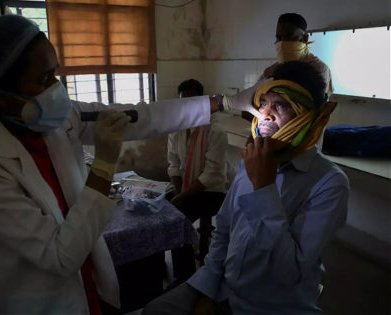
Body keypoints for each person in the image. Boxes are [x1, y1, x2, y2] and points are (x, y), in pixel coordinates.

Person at [0, 15, 220, 315]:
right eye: (43, 79)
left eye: (56, 74)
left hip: (90, 282)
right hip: (32, 301)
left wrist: (221, 103)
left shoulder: (59, 119)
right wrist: (103, 163)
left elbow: (144, 116)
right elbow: (60, 256)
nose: (57, 90)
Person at [142, 61, 349, 315]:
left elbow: (288, 272)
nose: (266, 115)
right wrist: (208, 291)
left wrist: (264, 188)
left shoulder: (329, 183)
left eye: (281, 106)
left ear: (308, 117)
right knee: (155, 310)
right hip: (224, 287)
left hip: (272, 306)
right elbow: (224, 233)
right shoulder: (250, 161)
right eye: (263, 104)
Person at [168, 79, 227, 284]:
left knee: (177, 217)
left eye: (193, 102)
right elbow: (173, 163)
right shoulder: (176, 129)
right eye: (184, 102)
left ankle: (185, 277)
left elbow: (210, 174)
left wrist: (181, 197)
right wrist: (177, 193)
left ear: (202, 103)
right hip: (186, 187)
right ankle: (165, 268)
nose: (188, 107)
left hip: (211, 192)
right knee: (155, 209)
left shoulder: (215, 130)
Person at [222, 12, 333, 113]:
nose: (282, 42)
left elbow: (315, 109)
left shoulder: (319, 69)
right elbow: (256, 100)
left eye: (289, 36)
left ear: (304, 38)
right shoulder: (272, 70)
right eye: (278, 38)